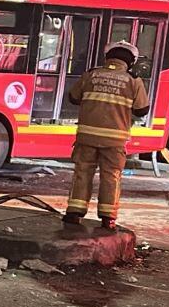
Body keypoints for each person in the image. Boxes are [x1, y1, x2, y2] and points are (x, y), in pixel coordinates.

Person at [64, 41, 149, 229]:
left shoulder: (90, 75)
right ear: (130, 62)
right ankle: (107, 217)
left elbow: (73, 97)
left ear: (108, 57)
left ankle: (74, 213)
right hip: (115, 140)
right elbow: (142, 109)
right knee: (111, 176)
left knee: (82, 172)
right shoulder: (133, 80)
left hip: (87, 136)